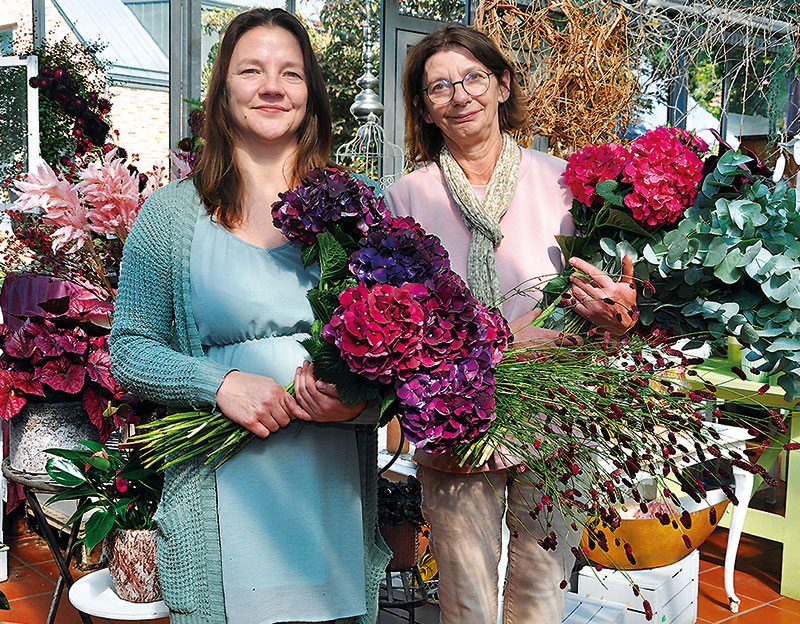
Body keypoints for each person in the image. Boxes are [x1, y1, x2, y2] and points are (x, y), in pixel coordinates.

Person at [110, 8, 390, 624]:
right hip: (219, 509)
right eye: (251, 70)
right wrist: (220, 384)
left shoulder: (361, 213)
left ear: (311, 96)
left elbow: (410, 362)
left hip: (331, 504)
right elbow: (129, 352)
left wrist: (359, 403)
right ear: (223, 91)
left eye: (291, 73)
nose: (272, 86)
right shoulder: (170, 217)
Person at [384, 24, 637, 624]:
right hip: (455, 412)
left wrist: (620, 310)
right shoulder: (405, 198)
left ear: (501, 85)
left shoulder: (567, 182)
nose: (459, 95)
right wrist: (499, 339)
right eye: (438, 86)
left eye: (473, 77)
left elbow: (614, 303)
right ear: (423, 107)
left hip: (559, 403)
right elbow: (398, 325)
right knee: (466, 597)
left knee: (542, 593)